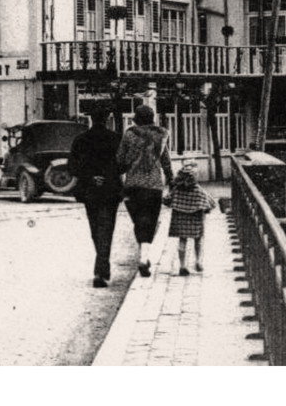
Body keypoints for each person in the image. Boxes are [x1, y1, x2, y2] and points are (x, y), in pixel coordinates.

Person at [115, 104, 173, 278]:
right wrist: (171, 180)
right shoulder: (161, 135)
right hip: (154, 186)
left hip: (133, 186)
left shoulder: (129, 135)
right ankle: (144, 257)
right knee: (150, 223)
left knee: (139, 222)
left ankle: (144, 257)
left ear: (136, 118)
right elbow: (165, 160)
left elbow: (120, 160)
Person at [68, 105, 123, 288]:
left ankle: (101, 268)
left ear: (91, 119)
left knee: (95, 229)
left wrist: (92, 177)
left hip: (89, 190)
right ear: (107, 119)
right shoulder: (116, 139)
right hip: (110, 190)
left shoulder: (81, 140)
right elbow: (122, 165)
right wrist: (106, 177)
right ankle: (101, 271)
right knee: (106, 229)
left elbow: (72, 166)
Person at [164, 161, 217, 276]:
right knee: (198, 240)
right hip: (195, 218)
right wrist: (206, 210)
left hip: (180, 218)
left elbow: (167, 200)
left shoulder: (177, 189)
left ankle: (182, 265)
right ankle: (198, 261)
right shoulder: (198, 190)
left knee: (182, 240)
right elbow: (210, 202)